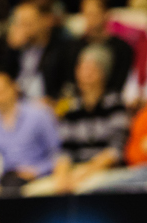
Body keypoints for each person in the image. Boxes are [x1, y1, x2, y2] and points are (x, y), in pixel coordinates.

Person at [53, 46, 130, 192]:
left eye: (92, 68)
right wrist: (62, 177)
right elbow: (64, 149)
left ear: (104, 72)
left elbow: (115, 151)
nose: (86, 73)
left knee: (88, 189)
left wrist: (86, 172)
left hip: (106, 171)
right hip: (76, 170)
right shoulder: (71, 107)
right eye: (82, 68)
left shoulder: (115, 104)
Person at [0, 72, 61, 196]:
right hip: (5, 179)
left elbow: (59, 154)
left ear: (13, 89)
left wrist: (37, 171)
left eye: (0, 91)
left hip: (34, 177)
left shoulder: (39, 114)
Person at [0, 2, 73, 103]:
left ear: (44, 20)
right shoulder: (18, 48)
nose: (22, 29)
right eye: (19, 24)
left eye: (27, 23)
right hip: (17, 103)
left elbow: (67, 87)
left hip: (45, 103)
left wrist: (56, 102)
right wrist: (11, 48)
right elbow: (4, 75)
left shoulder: (61, 48)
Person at [65, 0, 134, 95]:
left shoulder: (122, 48)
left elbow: (122, 83)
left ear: (106, 14)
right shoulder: (73, 48)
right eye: (87, 14)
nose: (91, 18)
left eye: (95, 14)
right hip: (79, 99)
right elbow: (70, 82)